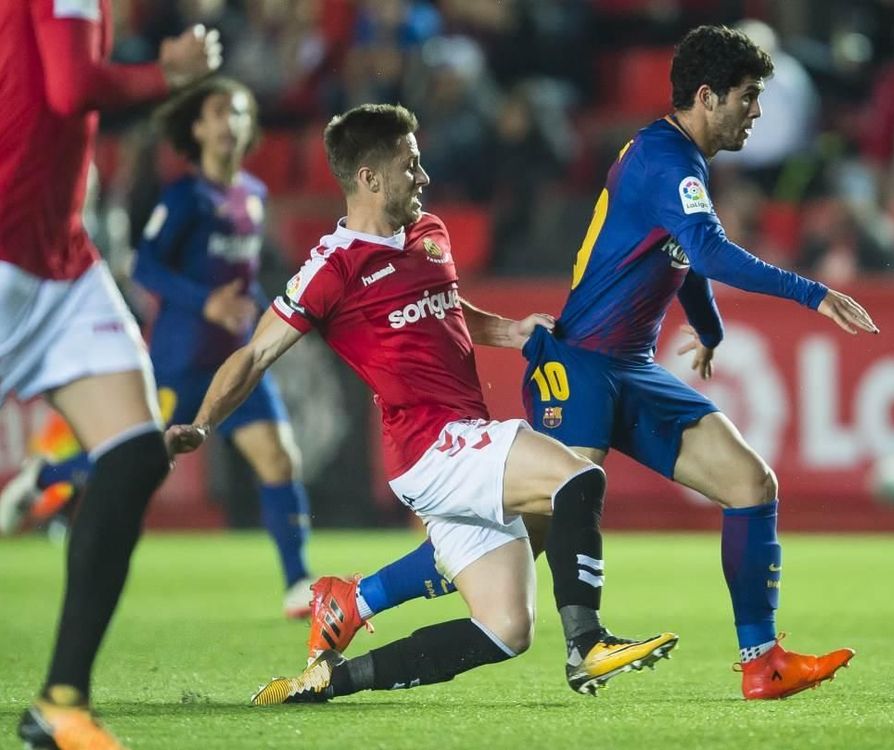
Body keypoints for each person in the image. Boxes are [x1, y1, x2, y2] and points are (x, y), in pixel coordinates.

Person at [306, 25, 878, 701]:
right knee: (528, 534)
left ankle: (763, 660)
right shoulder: (664, 159)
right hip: (577, 367)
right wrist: (814, 293)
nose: (757, 111)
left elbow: (683, 254)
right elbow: (713, 252)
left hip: (630, 369)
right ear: (707, 96)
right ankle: (365, 598)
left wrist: (709, 327)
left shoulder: (684, 161)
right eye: (749, 97)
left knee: (751, 485)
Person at [166, 104, 677, 704]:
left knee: (506, 628)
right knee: (576, 480)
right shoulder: (332, 267)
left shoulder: (429, 231)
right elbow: (253, 356)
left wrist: (511, 333)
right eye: (411, 164)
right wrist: (202, 425)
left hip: (458, 437)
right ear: (369, 178)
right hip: (429, 445)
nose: (424, 175)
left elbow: (448, 309)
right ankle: (587, 644)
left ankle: (333, 677)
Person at [1, 77, 317, 618]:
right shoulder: (184, 198)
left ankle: (298, 583)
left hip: (237, 361)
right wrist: (204, 303)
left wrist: (269, 312)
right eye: (219, 113)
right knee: (141, 459)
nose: (230, 123)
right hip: (179, 360)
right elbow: (145, 266)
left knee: (279, 458)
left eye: (239, 113)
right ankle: (45, 477)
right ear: (197, 127)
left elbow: (239, 283)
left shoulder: (253, 196)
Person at [0, 1, 220, 746]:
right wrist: (171, 72)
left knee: (131, 455)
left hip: (57, 259)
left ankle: (61, 702)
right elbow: (67, 89)